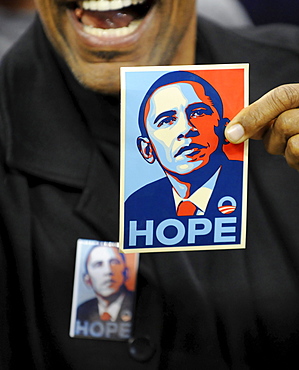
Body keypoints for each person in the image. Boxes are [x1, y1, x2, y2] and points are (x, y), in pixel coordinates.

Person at [2, 0, 299, 369]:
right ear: (146, 147)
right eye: (166, 121)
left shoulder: (292, 73)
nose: (186, 130)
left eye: (197, 114)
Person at [76, 243, 134, 335]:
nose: (108, 271)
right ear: (87, 280)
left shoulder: (140, 304)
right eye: (98, 264)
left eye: (114, 262)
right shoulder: (82, 311)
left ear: (126, 273)